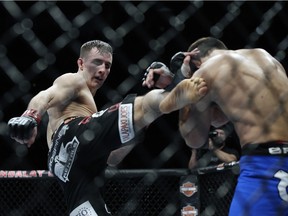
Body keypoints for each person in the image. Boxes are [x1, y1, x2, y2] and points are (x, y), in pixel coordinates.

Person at [7, 40, 207, 216]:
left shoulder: (87, 107)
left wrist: (139, 128)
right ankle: (174, 87)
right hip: (71, 137)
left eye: (108, 65)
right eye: (97, 62)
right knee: (140, 105)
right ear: (81, 63)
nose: (103, 70)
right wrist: (32, 116)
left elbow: (113, 159)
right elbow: (46, 95)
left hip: (71, 172)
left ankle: (164, 97)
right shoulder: (72, 80)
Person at [155, 37, 288, 215]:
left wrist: (185, 86)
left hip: (267, 164)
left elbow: (195, 139)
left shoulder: (205, 71)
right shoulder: (265, 57)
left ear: (195, 60)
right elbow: (219, 118)